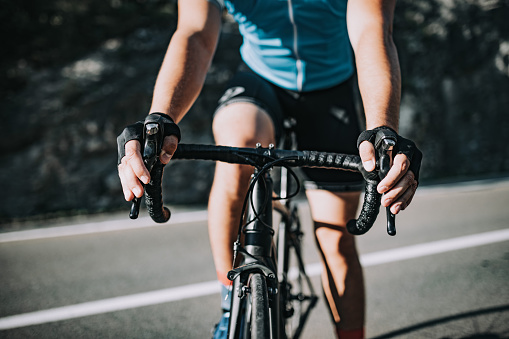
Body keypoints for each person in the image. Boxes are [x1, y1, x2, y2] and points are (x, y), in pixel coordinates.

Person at [117, 1, 422, 338]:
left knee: (337, 240)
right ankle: (231, 299)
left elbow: (372, 29)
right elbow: (196, 32)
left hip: (332, 90)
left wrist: (383, 129)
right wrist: (160, 119)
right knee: (238, 149)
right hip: (260, 82)